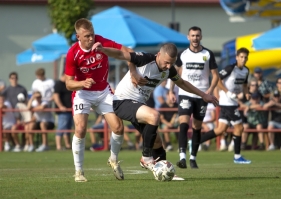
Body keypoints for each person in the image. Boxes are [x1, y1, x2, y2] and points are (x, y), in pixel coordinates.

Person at [93, 42, 218, 179]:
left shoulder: (169, 70)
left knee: (157, 141)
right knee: (154, 115)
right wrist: (103, 50)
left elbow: (182, 83)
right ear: (159, 55)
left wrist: (204, 95)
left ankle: (167, 172)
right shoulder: (145, 59)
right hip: (122, 101)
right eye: (166, 62)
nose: (168, 66)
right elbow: (122, 54)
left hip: (138, 104)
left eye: (172, 63)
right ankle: (146, 158)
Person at [64, 18, 141, 182]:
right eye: (86, 36)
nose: (91, 39)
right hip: (82, 93)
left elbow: (128, 51)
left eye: (92, 35)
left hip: (103, 92)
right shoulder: (72, 53)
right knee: (80, 129)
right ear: (78, 36)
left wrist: (133, 70)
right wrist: (81, 83)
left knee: (119, 128)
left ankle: (113, 160)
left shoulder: (101, 41)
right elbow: (69, 84)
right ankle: (79, 172)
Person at [169, 26, 219, 169]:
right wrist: (171, 90)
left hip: (202, 95)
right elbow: (175, 73)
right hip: (185, 93)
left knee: (197, 127)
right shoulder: (183, 54)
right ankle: (182, 157)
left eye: (197, 35)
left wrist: (209, 91)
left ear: (201, 37)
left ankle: (193, 158)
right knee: (183, 123)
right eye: (192, 35)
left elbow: (216, 75)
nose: (195, 38)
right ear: (188, 37)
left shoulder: (208, 54)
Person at [200, 47, 252, 164]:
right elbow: (217, 79)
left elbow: (244, 84)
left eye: (245, 57)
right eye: (241, 57)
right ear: (237, 57)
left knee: (220, 130)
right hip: (227, 102)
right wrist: (227, 92)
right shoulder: (230, 68)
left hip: (233, 102)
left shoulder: (246, 70)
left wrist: (247, 93)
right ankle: (237, 157)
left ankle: (195, 141)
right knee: (239, 127)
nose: (243, 59)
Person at [53, 73, 72, 151]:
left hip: (70, 110)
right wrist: (60, 106)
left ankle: (68, 145)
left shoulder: (68, 84)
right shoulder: (58, 84)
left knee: (68, 128)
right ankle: (58, 146)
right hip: (63, 111)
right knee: (61, 128)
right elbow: (55, 96)